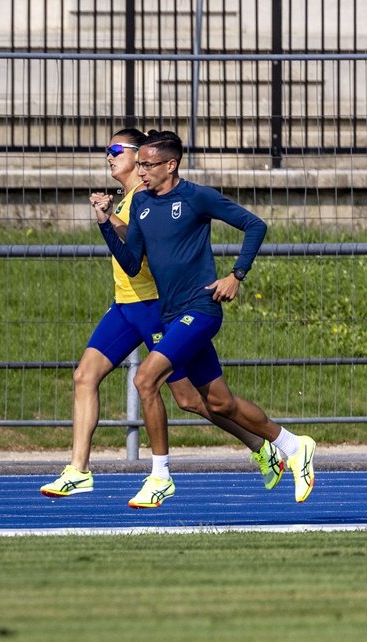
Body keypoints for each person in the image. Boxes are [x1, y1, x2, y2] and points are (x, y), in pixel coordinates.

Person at [41, 129, 282, 501]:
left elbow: (150, 249)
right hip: (125, 306)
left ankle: (259, 444)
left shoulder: (152, 193)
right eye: (110, 151)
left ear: (144, 159)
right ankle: (79, 470)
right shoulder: (129, 198)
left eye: (117, 149)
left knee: (191, 399)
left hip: (156, 306)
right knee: (84, 375)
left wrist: (235, 274)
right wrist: (107, 219)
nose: (110, 156)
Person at [100, 130, 315, 507]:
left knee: (145, 377)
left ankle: (160, 476)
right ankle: (294, 446)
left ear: (171, 164)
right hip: (171, 315)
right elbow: (133, 264)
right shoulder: (142, 206)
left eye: (148, 164)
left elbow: (255, 225)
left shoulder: (196, 196)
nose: (141, 170)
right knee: (219, 404)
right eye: (141, 164)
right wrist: (105, 224)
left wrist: (236, 275)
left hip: (200, 311)